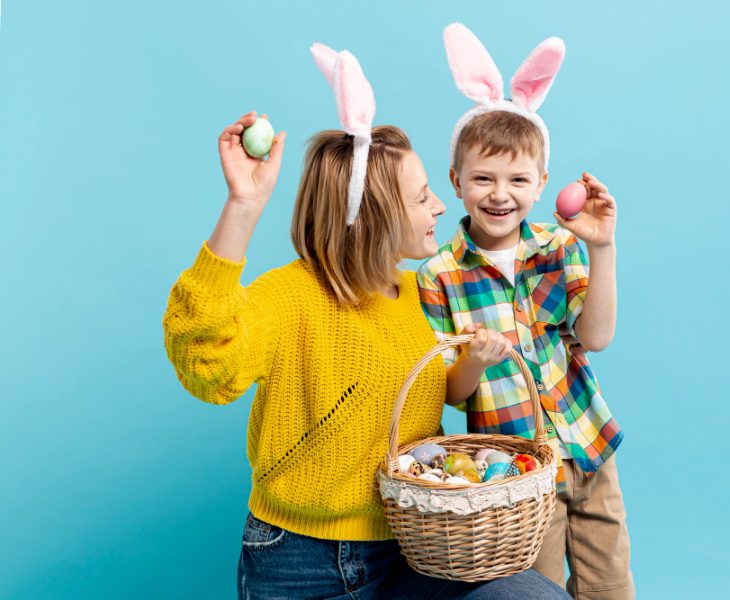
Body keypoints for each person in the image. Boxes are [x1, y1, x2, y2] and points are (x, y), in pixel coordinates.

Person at [162, 43, 568, 600]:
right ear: (376, 217)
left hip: (415, 551)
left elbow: (439, 396)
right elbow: (206, 366)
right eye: (424, 197)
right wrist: (243, 207)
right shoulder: (291, 296)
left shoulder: (416, 294)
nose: (441, 208)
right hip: (297, 563)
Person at [417, 24, 634, 599]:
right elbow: (453, 393)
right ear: (455, 181)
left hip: (587, 445)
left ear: (540, 183)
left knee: (610, 585)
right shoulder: (441, 273)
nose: (499, 193)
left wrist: (601, 246)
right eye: (482, 178)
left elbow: (598, 336)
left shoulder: (559, 250)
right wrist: (477, 362)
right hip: (515, 470)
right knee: (535, 591)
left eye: (517, 179)